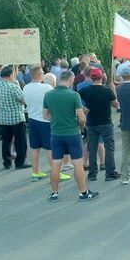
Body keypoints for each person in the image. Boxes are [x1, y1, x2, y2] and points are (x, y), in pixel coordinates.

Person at [43, 71, 98, 201]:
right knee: (77, 163)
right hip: (72, 133)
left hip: (56, 133)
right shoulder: (74, 95)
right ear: (70, 79)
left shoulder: (48, 95)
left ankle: (54, 193)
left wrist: (56, 121)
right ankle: (83, 193)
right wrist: (81, 126)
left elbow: (45, 115)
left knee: (56, 163)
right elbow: (82, 117)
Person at [79, 68, 120, 182]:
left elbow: (76, 99)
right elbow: (116, 105)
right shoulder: (107, 91)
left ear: (91, 77)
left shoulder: (85, 90)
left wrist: (83, 108)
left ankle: (92, 173)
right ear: (101, 77)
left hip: (91, 123)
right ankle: (110, 172)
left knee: (92, 148)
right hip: (106, 122)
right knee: (109, 147)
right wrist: (113, 92)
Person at [0, 66, 28, 170]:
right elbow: (24, 100)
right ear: (11, 75)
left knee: (6, 141)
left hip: (3, 118)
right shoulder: (13, 87)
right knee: (20, 141)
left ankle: (6, 162)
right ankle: (20, 162)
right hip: (17, 117)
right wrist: (17, 85)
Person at [23, 66, 55, 182]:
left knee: (34, 147)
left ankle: (35, 172)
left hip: (32, 119)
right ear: (40, 75)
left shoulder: (26, 87)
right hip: (45, 120)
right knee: (50, 147)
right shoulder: (47, 87)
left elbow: (25, 101)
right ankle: (55, 172)